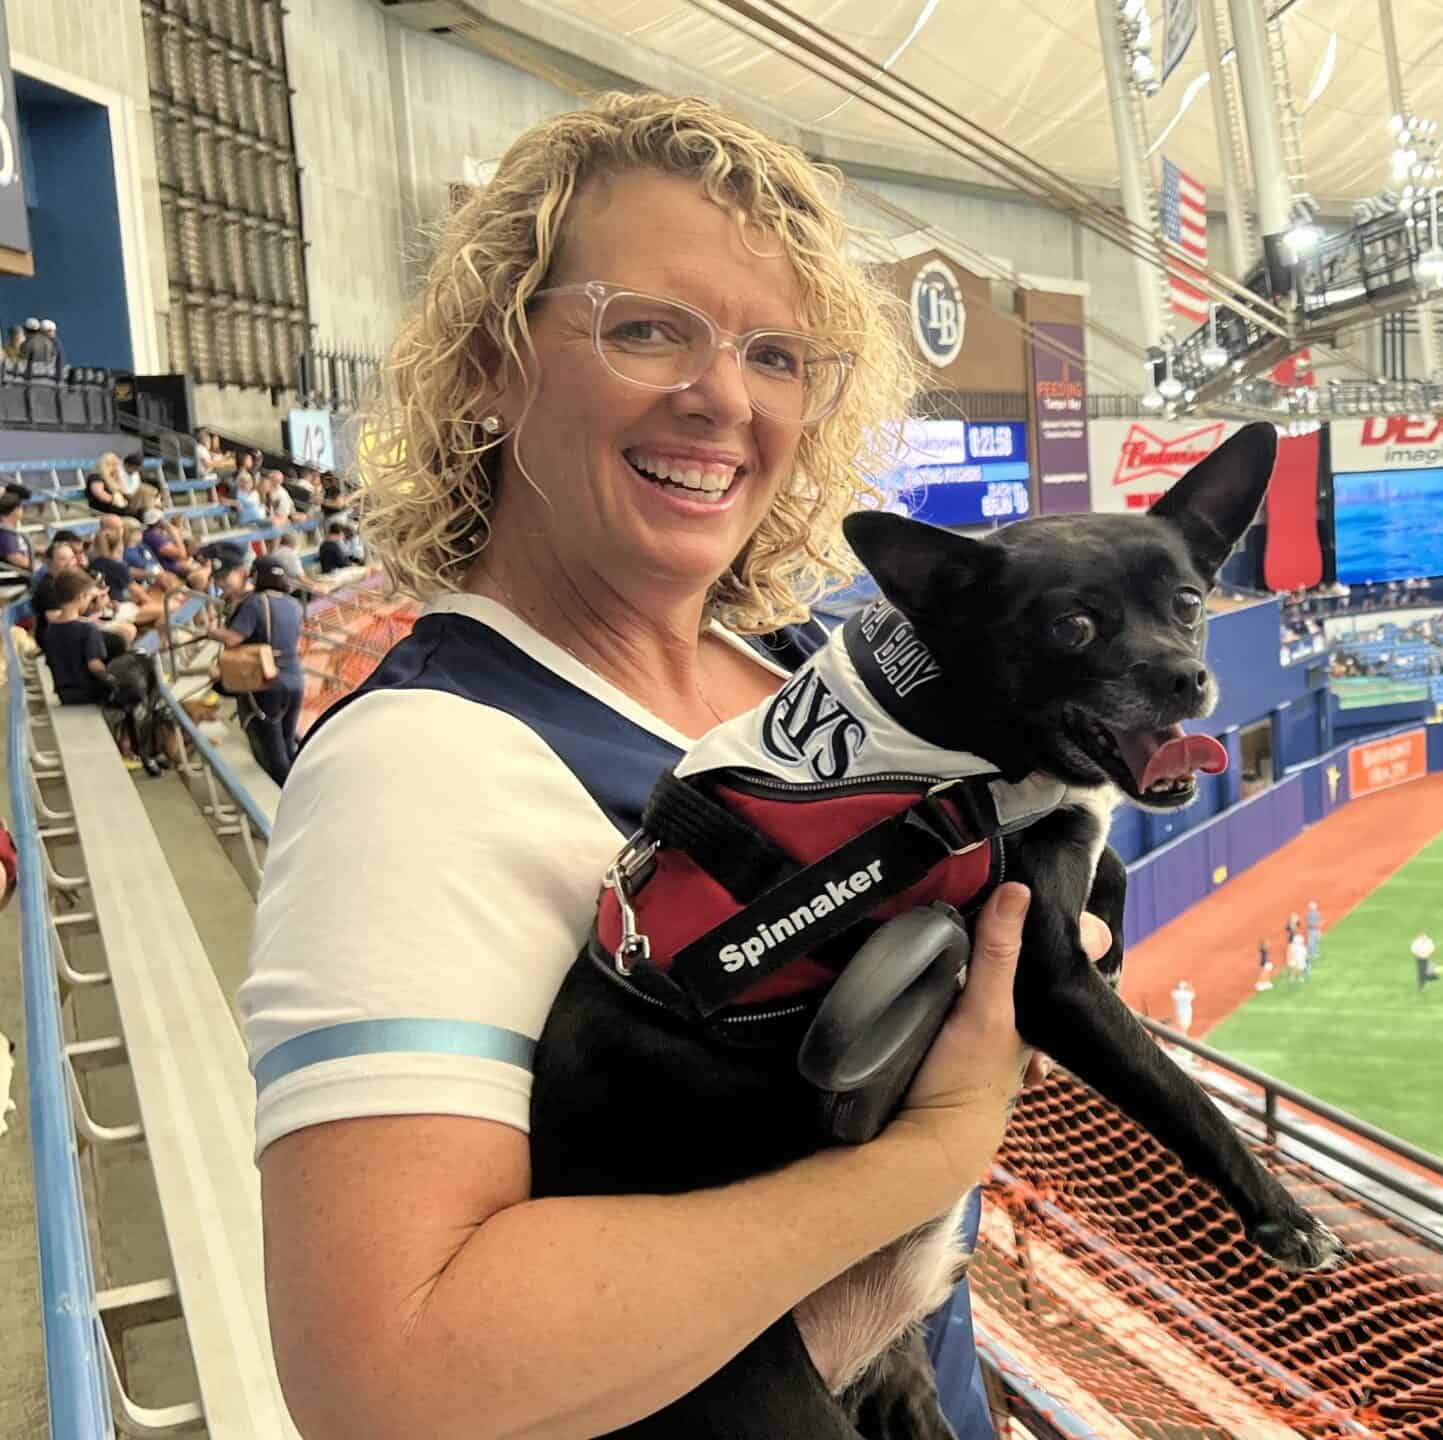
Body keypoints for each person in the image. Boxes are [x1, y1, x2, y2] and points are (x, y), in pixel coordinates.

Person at [237, 93, 1098, 1440]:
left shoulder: (805, 678)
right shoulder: (418, 770)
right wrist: (939, 1148)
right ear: (489, 362)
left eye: (777, 353)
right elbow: (388, 1378)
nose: (723, 397)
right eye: (646, 328)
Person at [214, 554, 306, 785]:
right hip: (294, 678)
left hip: (266, 682)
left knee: (273, 753)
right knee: (287, 742)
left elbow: (235, 638)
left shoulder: (255, 602)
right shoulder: (293, 603)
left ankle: (287, 798)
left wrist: (211, 631)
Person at [35, 570, 113, 704]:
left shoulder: (50, 629)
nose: (90, 601)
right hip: (89, 693)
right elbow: (94, 665)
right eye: (89, 597)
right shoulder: (88, 629)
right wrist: (112, 678)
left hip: (64, 695)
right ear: (82, 596)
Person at [0, 484, 33, 592]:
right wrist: (38, 566)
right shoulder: (5, 530)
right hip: (9, 574)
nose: (23, 510)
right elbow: (14, 558)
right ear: (15, 510)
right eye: (21, 507)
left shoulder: (9, 526)